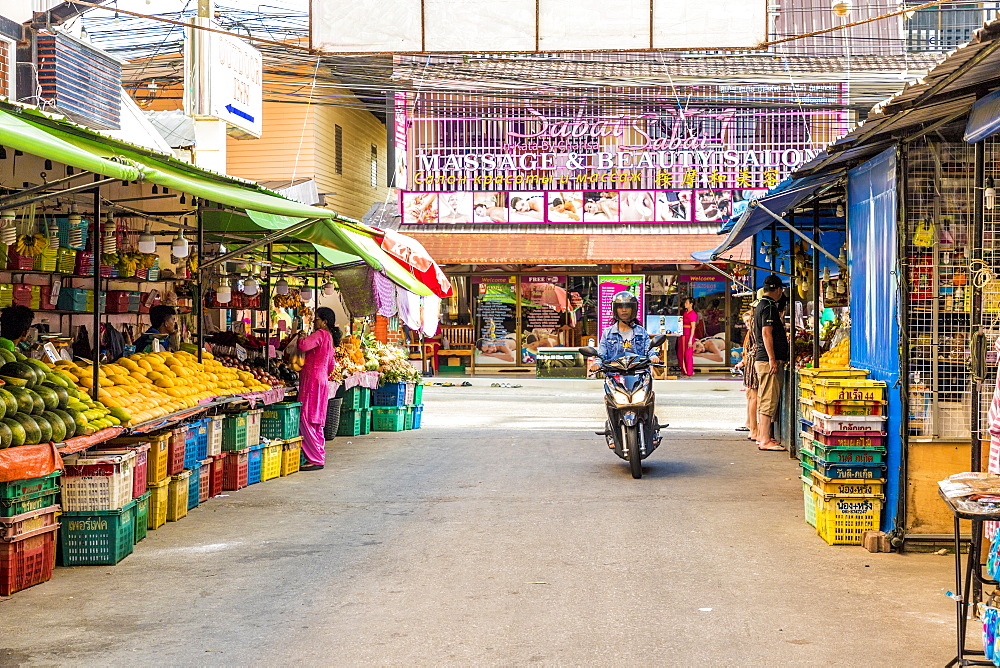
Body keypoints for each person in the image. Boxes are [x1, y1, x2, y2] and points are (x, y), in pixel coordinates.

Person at [297, 307, 342, 471]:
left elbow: (303, 346)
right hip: (322, 379)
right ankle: (318, 454)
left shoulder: (321, 334)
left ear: (325, 321)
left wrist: (301, 336)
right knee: (316, 420)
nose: (314, 321)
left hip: (312, 380)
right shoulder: (329, 338)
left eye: (316, 318)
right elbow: (331, 365)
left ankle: (315, 458)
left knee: (306, 417)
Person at [754, 275, 789, 451]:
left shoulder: (761, 305)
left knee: (765, 398)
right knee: (768, 399)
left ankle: (763, 436)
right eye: (781, 289)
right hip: (767, 361)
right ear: (777, 289)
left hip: (763, 360)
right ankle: (765, 440)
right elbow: (767, 334)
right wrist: (772, 359)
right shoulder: (768, 307)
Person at [590, 291, 660, 371]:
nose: (624, 310)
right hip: (615, 374)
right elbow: (601, 354)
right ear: (615, 310)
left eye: (627, 307)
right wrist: (597, 364)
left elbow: (648, 349)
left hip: (637, 373)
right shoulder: (608, 333)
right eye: (620, 307)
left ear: (633, 309)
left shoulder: (641, 332)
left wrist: (653, 357)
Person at [734, 310, 760, 441]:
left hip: (749, 364)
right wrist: (744, 362)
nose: (748, 324)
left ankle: (751, 425)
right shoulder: (752, 333)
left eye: (749, 321)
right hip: (751, 365)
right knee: (751, 395)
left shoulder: (752, 332)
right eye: (745, 322)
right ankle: (752, 427)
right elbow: (749, 350)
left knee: (751, 395)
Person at [677, 297, 698, 376]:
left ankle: (689, 371)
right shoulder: (685, 313)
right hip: (683, 335)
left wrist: (690, 339)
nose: (685, 304)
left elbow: (693, 327)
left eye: (686, 303)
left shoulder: (693, 314)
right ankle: (684, 369)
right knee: (680, 353)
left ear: (691, 304)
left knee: (688, 354)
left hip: (688, 335)